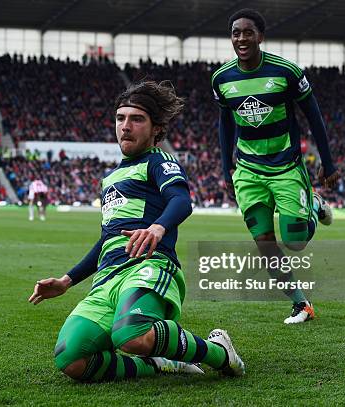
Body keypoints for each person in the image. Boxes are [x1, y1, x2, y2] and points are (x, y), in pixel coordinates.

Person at [29, 81, 245, 382]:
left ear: (156, 128)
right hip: (108, 278)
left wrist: (158, 227)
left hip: (149, 266)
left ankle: (219, 352)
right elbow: (108, 240)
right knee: (71, 358)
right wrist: (67, 280)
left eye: (136, 119)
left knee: (131, 334)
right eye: (120, 118)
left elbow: (181, 200)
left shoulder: (159, 161)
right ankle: (158, 364)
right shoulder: (110, 178)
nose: (125, 126)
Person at [211, 9, 340, 324]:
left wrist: (328, 161)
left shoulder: (287, 72)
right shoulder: (221, 78)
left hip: (286, 167)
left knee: (295, 242)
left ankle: (313, 204)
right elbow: (225, 123)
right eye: (236, 32)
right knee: (265, 244)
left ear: (260, 36)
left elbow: (314, 116)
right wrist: (225, 165)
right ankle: (301, 305)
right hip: (248, 171)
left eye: (248, 32)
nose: (241, 38)